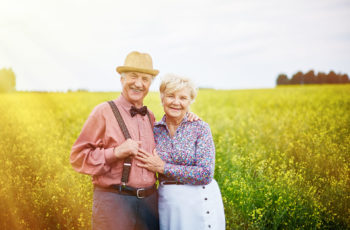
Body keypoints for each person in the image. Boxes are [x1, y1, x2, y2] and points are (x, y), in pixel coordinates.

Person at [70, 51, 160, 230]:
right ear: (122, 79)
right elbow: (77, 157)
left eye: (145, 79)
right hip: (114, 201)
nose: (138, 83)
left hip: (150, 203)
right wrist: (116, 152)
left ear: (150, 84)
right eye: (133, 77)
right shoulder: (103, 111)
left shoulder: (150, 117)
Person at [136, 74, 226, 230]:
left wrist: (163, 168)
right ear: (162, 98)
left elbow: (205, 174)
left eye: (183, 98)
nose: (176, 102)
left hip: (198, 201)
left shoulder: (200, 128)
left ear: (190, 101)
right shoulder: (154, 130)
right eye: (171, 96)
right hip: (168, 203)